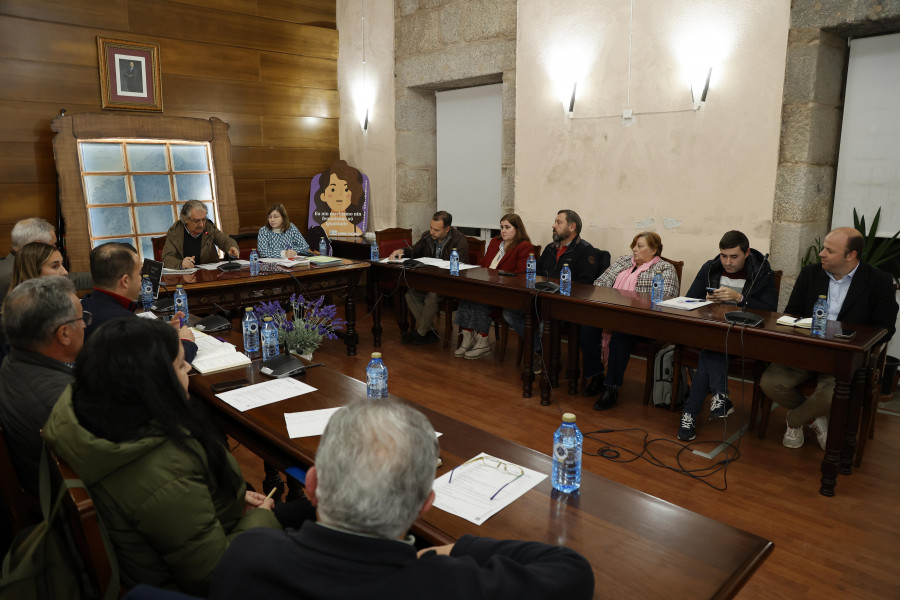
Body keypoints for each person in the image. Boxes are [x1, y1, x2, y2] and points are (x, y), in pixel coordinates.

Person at [210, 399, 595, 600]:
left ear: (311, 485)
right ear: (425, 503)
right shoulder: (448, 586)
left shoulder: (247, 556)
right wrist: (455, 549)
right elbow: (571, 571)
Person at [42, 318, 283, 596]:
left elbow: (172, 514)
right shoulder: (164, 470)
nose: (189, 367)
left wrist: (233, 498)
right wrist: (261, 521)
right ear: (153, 385)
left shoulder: (96, 420)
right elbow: (213, 574)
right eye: (180, 365)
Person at [760, 227, 898, 450]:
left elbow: (886, 329)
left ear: (850, 255)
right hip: (805, 349)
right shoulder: (810, 274)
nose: (821, 253)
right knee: (770, 382)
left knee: (832, 394)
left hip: (843, 357)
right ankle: (815, 419)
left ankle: (795, 420)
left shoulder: (878, 282)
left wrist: (853, 337)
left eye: (829, 250)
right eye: (823, 248)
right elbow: (792, 312)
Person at [677, 230, 777, 441]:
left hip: (745, 337)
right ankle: (720, 397)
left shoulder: (762, 272)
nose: (728, 262)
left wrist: (740, 298)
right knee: (712, 347)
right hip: (713, 332)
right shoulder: (710, 268)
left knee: (709, 352)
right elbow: (689, 301)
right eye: (724, 256)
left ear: (747, 253)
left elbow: (770, 311)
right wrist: (705, 301)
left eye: (734, 256)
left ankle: (690, 412)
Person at [0, 276, 85, 496]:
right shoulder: (64, 399)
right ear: (64, 334)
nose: (84, 324)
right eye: (81, 318)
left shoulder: (12, 362)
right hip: (71, 503)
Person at [592, 231, 680, 410]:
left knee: (620, 334)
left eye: (640, 246)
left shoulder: (665, 269)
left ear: (654, 250)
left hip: (644, 323)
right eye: (634, 245)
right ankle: (596, 376)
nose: (634, 249)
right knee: (587, 328)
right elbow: (599, 283)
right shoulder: (623, 262)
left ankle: (611, 388)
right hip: (613, 316)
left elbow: (668, 299)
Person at [502, 210, 597, 370]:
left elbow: (585, 285)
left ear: (572, 226)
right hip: (541, 298)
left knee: (544, 323)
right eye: (555, 222)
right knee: (509, 312)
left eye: (559, 222)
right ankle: (541, 350)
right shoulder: (550, 248)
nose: (553, 225)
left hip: (565, 304)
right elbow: (536, 274)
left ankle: (549, 362)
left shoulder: (585, 250)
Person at [81, 242, 197, 362]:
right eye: (139, 273)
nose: (141, 278)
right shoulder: (122, 324)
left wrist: (166, 330)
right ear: (125, 281)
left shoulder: (85, 305)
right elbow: (163, 364)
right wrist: (186, 343)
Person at [452, 214, 533, 359]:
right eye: (501, 227)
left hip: (505, 291)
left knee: (480, 300)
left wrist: (498, 277)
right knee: (466, 296)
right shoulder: (496, 242)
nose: (503, 231)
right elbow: (484, 264)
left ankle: (483, 341)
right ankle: (467, 337)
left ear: (517, 229)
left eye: (507, 227)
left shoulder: (524, 246)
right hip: (486, 285)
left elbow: (522, 274)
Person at [389, 211, 470, 344]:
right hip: (430, 281)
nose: (432, 232)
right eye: (431, 227)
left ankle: (421, 333)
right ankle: (429, 331)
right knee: (410, 295)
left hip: (448, 283)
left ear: (447, 229)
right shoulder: (427, 236)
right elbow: (416, 250)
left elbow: (462, 266)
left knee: (432, 297)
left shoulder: (459, 240)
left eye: (436, 230)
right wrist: (403, 251)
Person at [0, 217, 92, 305]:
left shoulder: (6, 264)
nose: (55, 248)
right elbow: (69, 280)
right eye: (53, 244)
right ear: (37, 245)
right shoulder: (16, 274)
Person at [161, 200, 239, 269]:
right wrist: (181, 264)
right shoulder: (175, 231)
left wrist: (231, 247)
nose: (201, 225)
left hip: (209, 275)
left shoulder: (208, 227)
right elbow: (167, 257)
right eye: (196, 221)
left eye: (204, 219)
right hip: (185, 276)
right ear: (186, 219)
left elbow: (225, 240)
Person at [311, 160, 366, 237]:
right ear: (323, 196)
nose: (340, 194)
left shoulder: (357, 231)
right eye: (333, 189)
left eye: (346, 189)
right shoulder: (319, 230)